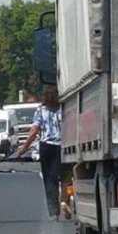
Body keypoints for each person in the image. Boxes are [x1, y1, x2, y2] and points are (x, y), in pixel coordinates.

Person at [16, 85, 71, 220]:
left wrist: (24, 148)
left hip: (47, 147)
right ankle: (65, 200)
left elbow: (34, 131)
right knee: (66, 177)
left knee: (49, 180)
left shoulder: (41, 110)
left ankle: (53, 213)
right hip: (63, 146)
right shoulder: (65, 108)